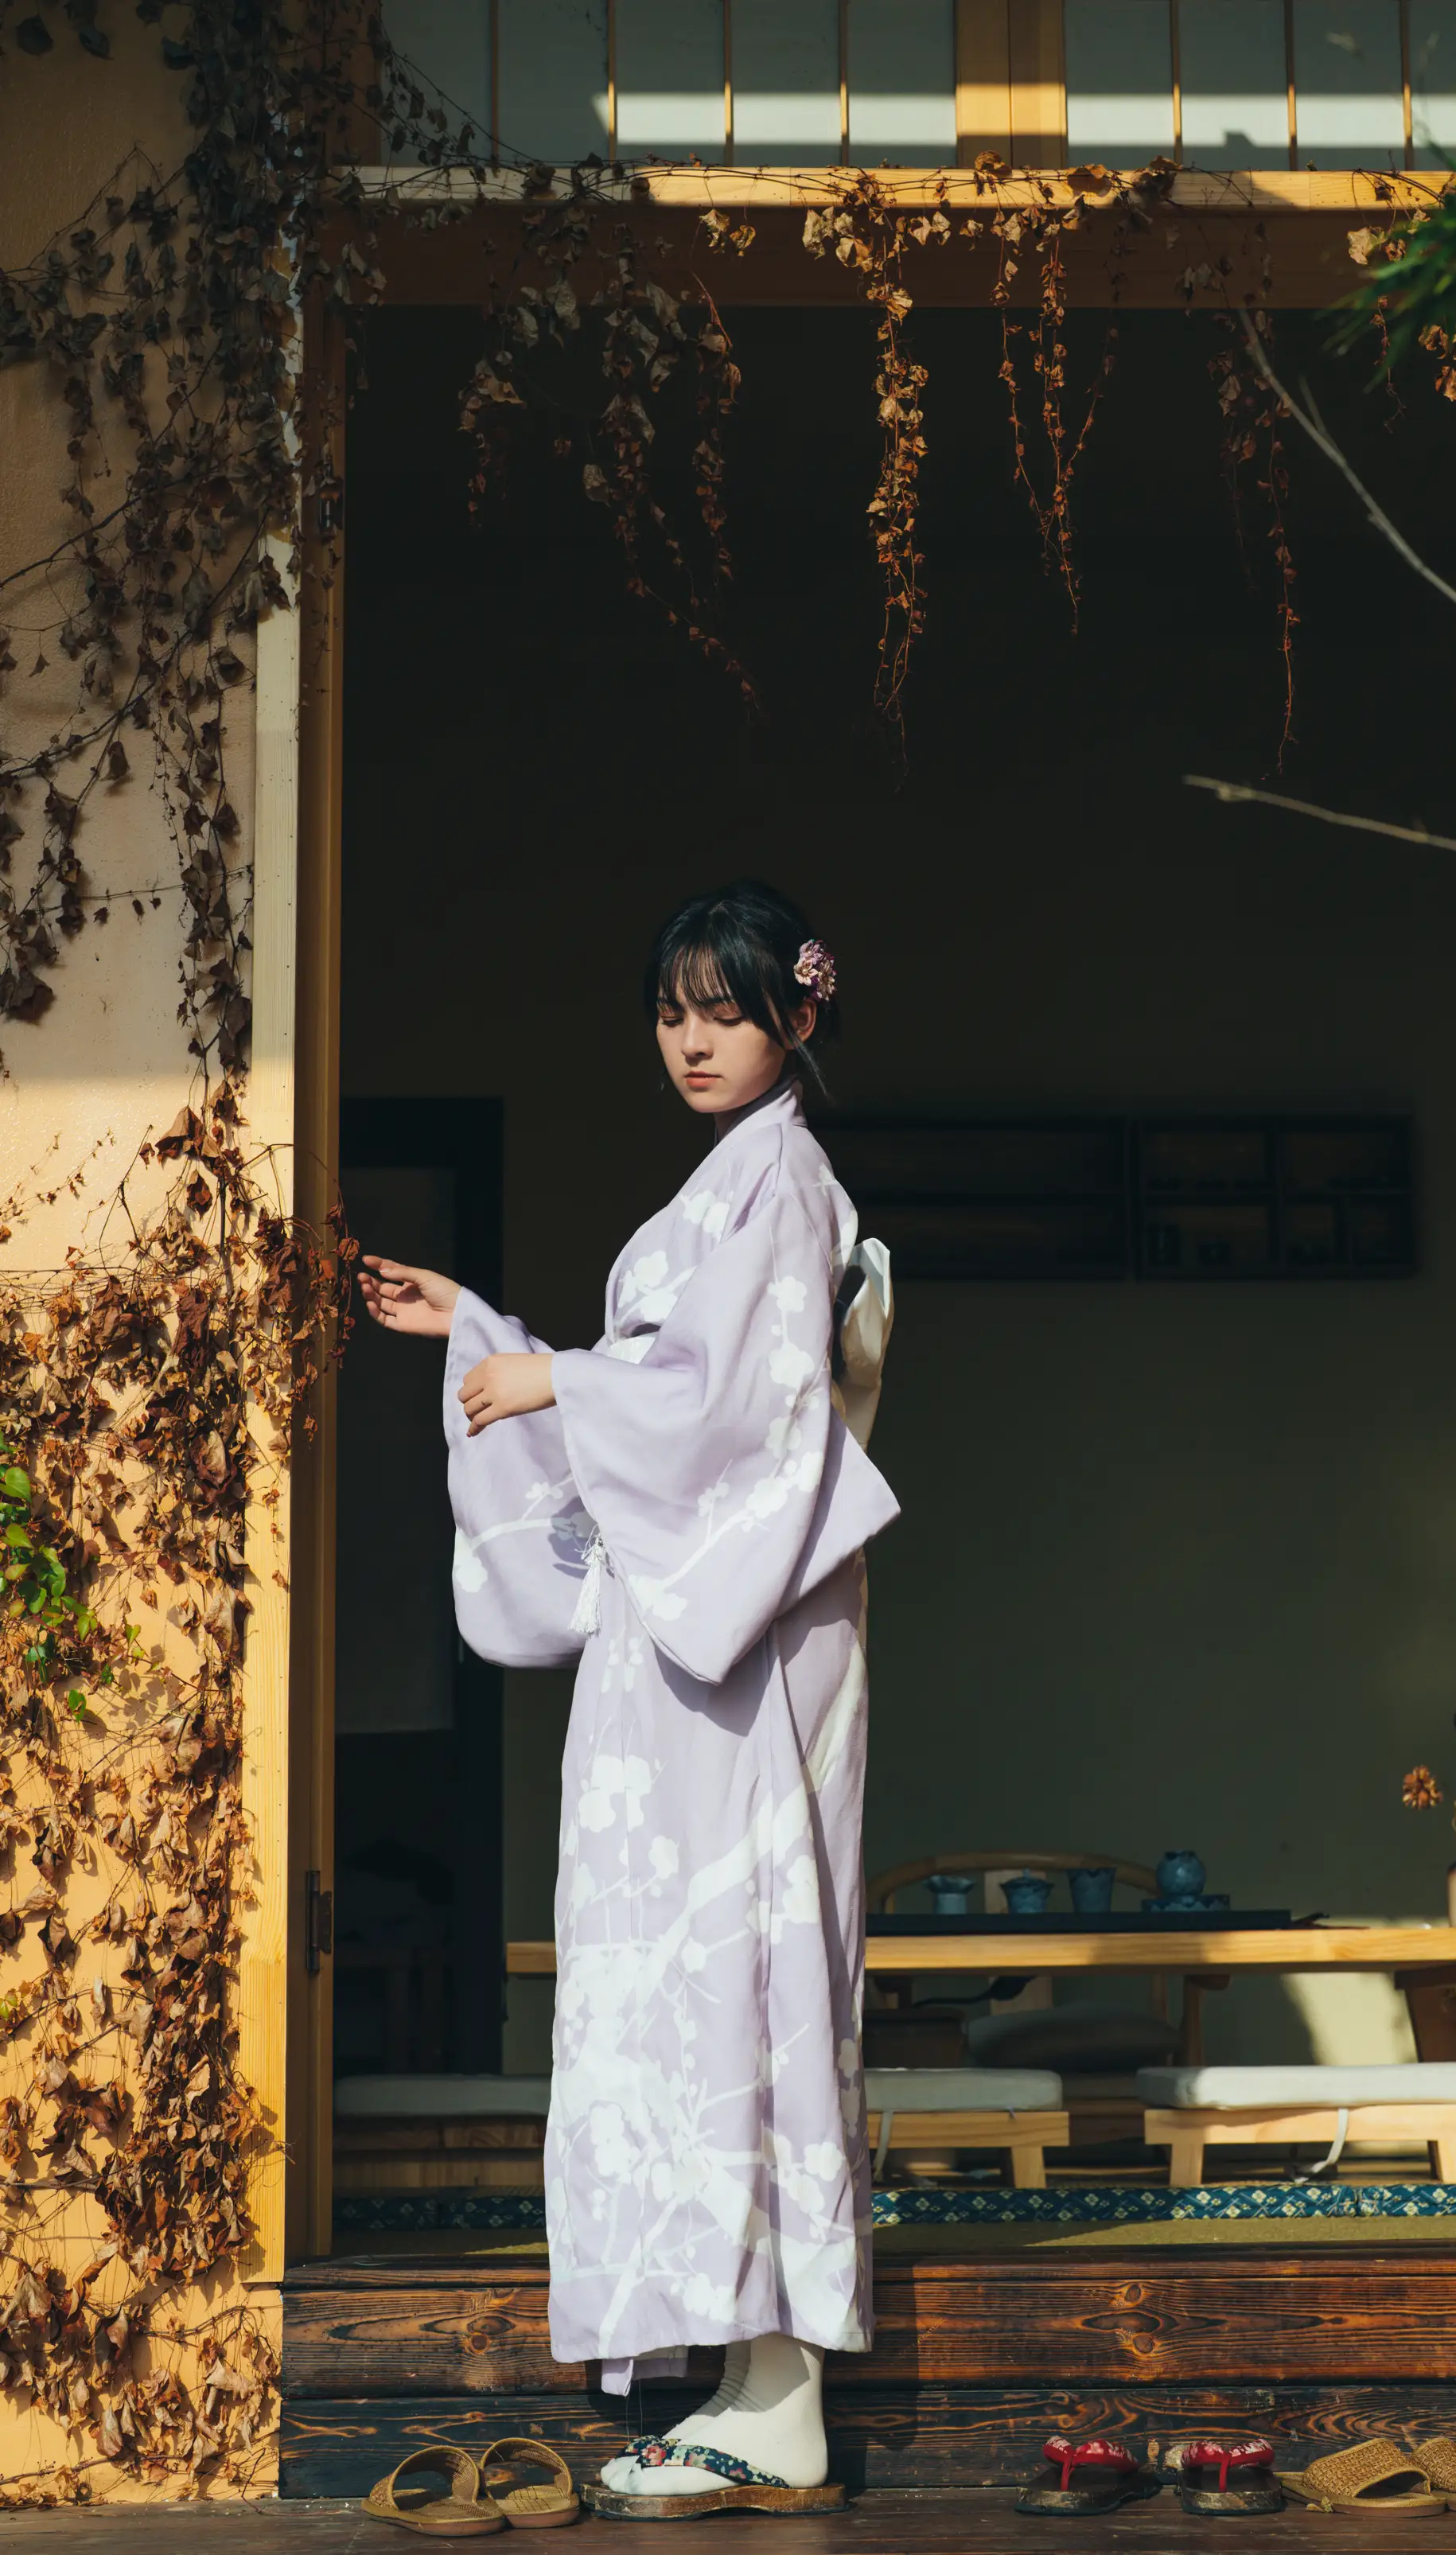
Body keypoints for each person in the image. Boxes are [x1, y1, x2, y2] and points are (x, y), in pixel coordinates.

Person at [359, 881, 898, 2516]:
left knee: (745, 1976)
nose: (689, 1038)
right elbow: (655, 1397)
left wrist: (551, 1380)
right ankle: (742, 2375)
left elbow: (727, 1414)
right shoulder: (729, 1192)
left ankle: (781, 2386)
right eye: (670, 1010)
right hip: (683, 1646)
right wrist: (482, 1334)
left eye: (722, 1009)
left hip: (743, 1636)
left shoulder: (782, 1189)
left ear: (795, 1020)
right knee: (681, 1986)